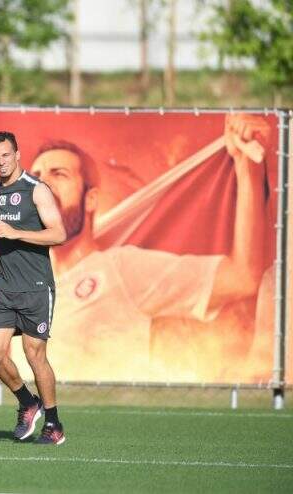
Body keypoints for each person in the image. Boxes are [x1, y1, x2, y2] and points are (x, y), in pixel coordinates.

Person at [28, 114, 269, 381]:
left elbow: (242, 278)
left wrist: (247, 169)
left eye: (58, 174)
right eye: (35, 177)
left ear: (91, 199)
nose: (42, 184)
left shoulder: (120, 269)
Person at [0, 131, 68, 445]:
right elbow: (3, 232)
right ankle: (28, 402)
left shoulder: (37, 190)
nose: (1, 162)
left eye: (6, 155)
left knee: (35, 355)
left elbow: (58, 234)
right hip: (4, 287)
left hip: (35, 287)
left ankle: (54, 425)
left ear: (17, 154)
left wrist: (15, 233)